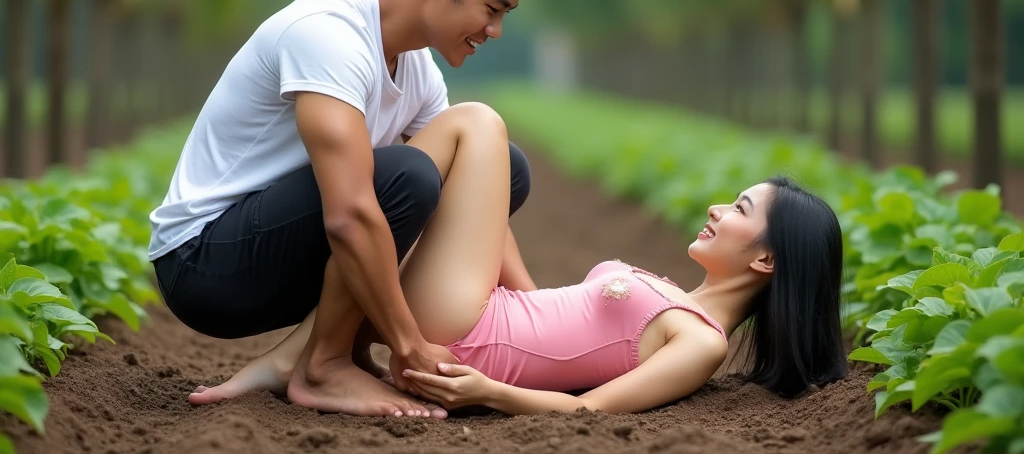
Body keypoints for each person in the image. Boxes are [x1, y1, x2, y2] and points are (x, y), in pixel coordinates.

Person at [147, 0, 556, 418]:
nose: (497, 30)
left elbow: (471, 194)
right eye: (493, 8)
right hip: (204, 263)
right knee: (404, 177)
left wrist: (540, 317)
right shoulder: (329, 35)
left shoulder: (418, 72)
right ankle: (323, 367)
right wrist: (408, 345)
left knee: (501, 169)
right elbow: (348, 216)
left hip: (280, 247)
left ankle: (335, 352)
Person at [357, 102, 848, 415]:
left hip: (470, 340)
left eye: (739, 208)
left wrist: (485, 392)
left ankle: (316, 349)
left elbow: (590, 409)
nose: (716, 208)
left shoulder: (702, 342)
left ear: (766, 260)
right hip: (483, 314)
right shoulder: (679, 300)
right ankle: (336, 346)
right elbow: (551, 320)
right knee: (487, 164)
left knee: (476, 124)